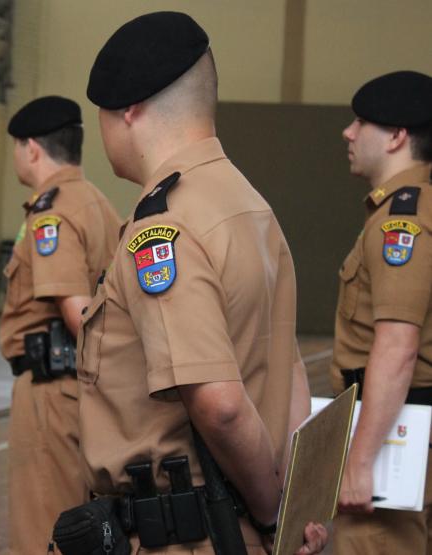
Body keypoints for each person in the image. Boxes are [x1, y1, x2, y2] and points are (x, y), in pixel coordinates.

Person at [60, 12, 326, 554]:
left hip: (190, 535)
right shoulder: (250, 205)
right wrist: (290, 503)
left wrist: (273, 514)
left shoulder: (163, 229)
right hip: (239, 521)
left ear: (129, 110)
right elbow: (289, 367)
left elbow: (219, 404)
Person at [0, 95, 121, 554]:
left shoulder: (51, 213)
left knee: (43, 529)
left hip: (52, 393)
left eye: (16, 147)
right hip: (83, 389)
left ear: (32, 148)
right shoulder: (97, 203)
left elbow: (78, 314)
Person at [331, 71, 432, 553]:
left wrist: (360, 460)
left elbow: (397, 344)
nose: (349, 133)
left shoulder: (402, 222)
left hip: (396, 445)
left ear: (397, 136)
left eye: (362, 122)